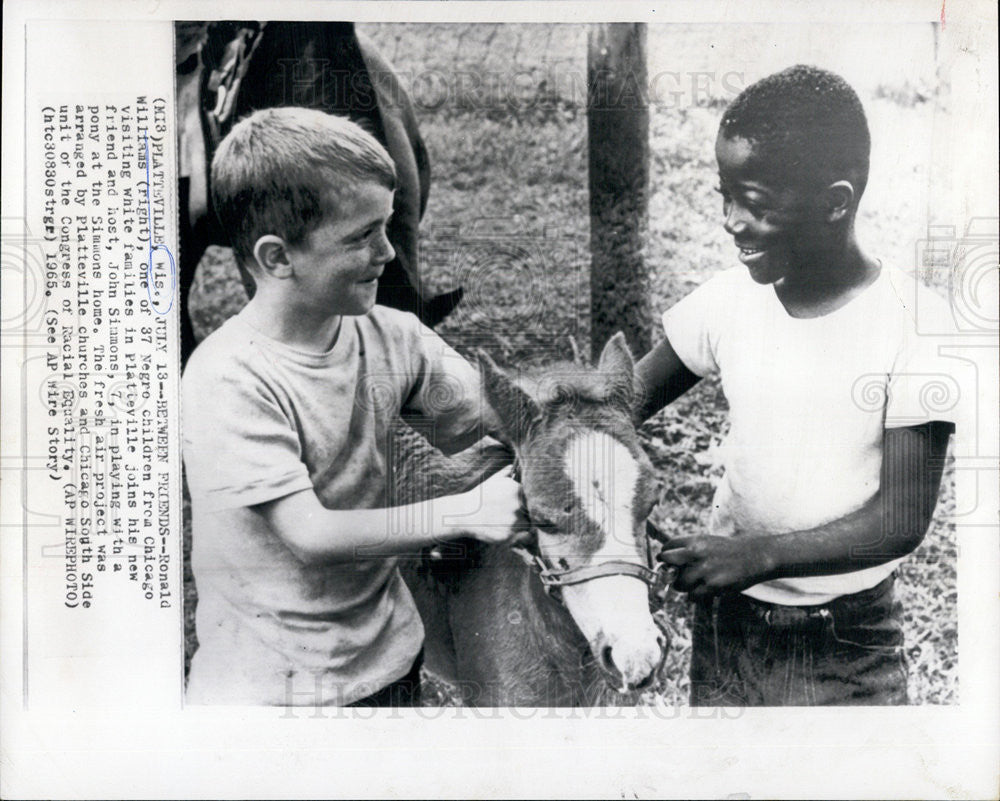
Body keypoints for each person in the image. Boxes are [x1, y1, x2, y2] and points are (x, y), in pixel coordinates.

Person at [635, 65, 958, 705]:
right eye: (723, 196)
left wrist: (760, 555)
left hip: (846, 644)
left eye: (755, 203)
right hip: (728, 630)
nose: (731, 221)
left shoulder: (915, 326)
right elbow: (614, 404)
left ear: (836, 201)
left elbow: (900, 517)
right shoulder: (726, 304)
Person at [181, 107, 523, 707]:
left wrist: (573, 429)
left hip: (390, 659)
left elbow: (491, 417)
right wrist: (465, 511)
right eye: (362, 236)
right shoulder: (229, 377)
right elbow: (311, 534)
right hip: (273, 694)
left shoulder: (394, 337)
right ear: (277, 258)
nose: (388, 252)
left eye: (386, 226)